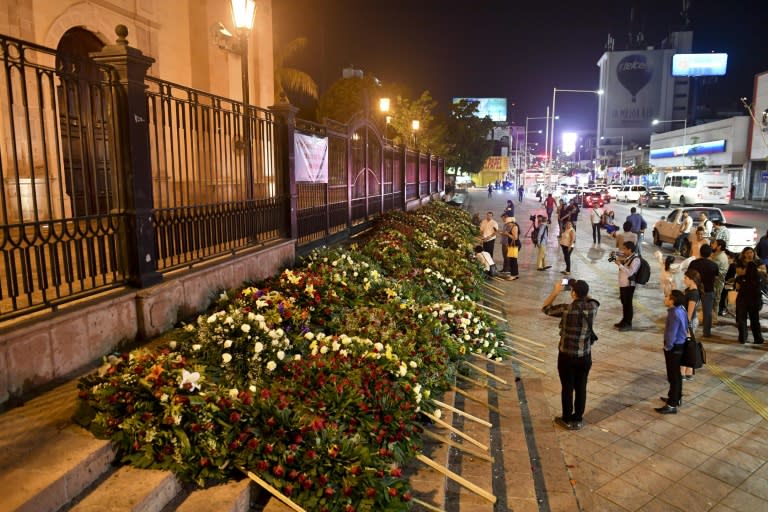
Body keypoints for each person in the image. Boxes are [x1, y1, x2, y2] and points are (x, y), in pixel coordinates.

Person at [541, 279, 600, 430]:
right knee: (581, 387)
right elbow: (590, 297)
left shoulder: (566, 309)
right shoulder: (593, 307)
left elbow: (546, 308)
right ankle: (578, 419)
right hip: (584, 356)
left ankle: (566, 418)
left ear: (573, 293)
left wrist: (556, 291)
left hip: (566, 355)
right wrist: (580, 289)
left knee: (567, 387)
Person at [655, 289, 688, 414]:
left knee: (673, 375)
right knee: (677, 375)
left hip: (674, 347)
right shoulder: (681, 309)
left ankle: (672, 404)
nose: (665, 298)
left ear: (672, 300)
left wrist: (667, 347)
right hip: (680, 345)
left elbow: (671, 333)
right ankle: (675, 397)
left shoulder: (674, 313)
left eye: (667, 296)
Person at [735, 249, 766, 344]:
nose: (749, 254)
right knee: (755, 320)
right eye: (747, 252)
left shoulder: (740, 278)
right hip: (754, 299)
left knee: (742, 319)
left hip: (743, 299)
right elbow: (764, 276)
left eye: (751, 252)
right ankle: (758, 338)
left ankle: (743, 338)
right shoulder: (759, 277)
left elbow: (737, 287)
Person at [688, 244, 719, 337]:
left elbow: (689, 276)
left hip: (695, 290)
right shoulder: (714, 265)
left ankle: (690, 329)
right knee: (707, 312)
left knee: (692, 310)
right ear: (710, 254)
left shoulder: (693, 263)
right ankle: (706, 332)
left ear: (700, 252)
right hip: (708, 290)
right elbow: (716, 278)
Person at [613, 241, 641, 331]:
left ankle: (628, 323)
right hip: (623, 284)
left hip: (629, 285)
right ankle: (624, 321)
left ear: (630, 249)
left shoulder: (636, 259)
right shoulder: (629, 257)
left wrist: (620, 265)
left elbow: (630, 272)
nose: (623, 251)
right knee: (624, 303)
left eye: (625, 249)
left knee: (628, 304)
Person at [681, 269, 702, 381]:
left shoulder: (693, 293)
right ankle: (688, 371)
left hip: (689, 322)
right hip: (687, 321)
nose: (684, 280)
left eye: (685, 278)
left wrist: (686, 327)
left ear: (692, 279)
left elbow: (690, 313)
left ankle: (684, 372)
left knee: (686, 347)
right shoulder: (689, 289)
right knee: (687, 346)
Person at [710, 239, 729, 326]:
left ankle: (713, 320)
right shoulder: (718, 254)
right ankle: (712, 319)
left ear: (719, 247)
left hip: (717, 283)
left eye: (714, 243)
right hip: (717, 282)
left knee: (714, 301)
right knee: (714, 301)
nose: (712, 244)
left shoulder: (719, 257)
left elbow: (713, 270)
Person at [505, 216, 520, 281]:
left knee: (513, 260)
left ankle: (513, 275)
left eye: (508, 223)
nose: (507, 224)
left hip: (514, 245)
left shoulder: (515, 227)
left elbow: (515, 238)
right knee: (513, 260)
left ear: (511, 222)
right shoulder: (513, 226)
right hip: (512, 245)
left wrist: (508, 234)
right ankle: (515, 274)